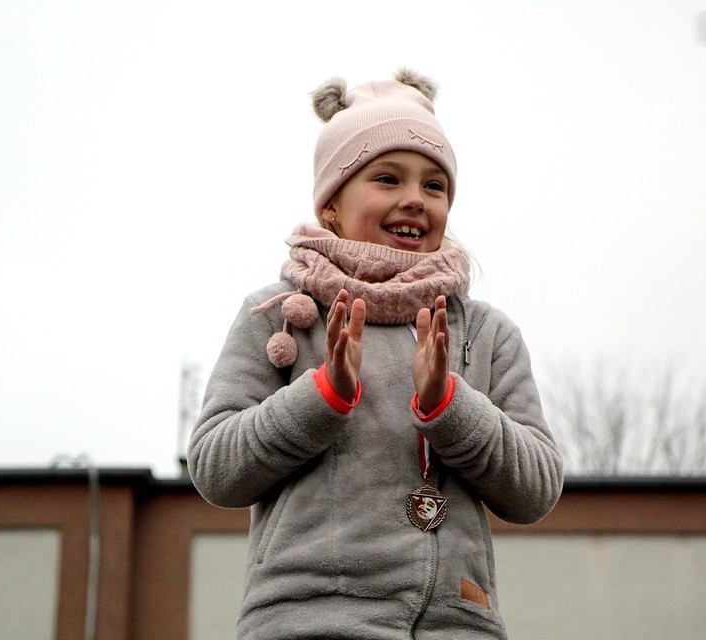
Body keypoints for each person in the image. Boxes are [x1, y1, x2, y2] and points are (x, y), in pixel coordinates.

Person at [188, 69, 563, 640]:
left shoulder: (487, 333)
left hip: (459, 626)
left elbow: (536, 490)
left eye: (434, 186)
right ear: (331, 206)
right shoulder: (277, 314)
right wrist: (321, 396)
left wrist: (450, 406)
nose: (414, 199)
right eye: (387, 178)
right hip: (306, 622)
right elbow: (216, 469)